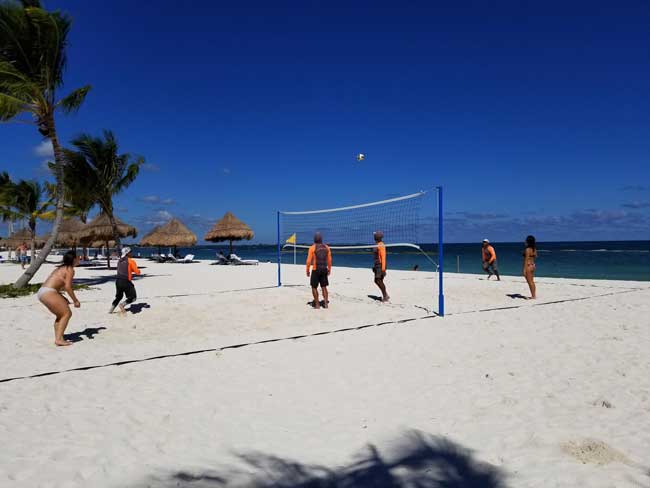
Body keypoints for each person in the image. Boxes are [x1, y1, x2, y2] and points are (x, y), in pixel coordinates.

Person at [37, 250, 81, 346]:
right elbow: (68, 287)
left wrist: (62, 298)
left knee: (61, 315)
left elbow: (55, 284)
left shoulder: (60, 268)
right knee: (67, 314)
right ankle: (58, 339)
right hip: (49, 292)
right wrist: (75, 301)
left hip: (43, 291)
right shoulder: (70, 269)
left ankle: (59, 337)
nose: (80, 259)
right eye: (78, 257)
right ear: (74, 259)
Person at [109, 247, 141, 314]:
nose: (131, 253)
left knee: (118, 297)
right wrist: (138, 271)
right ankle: (122, 305)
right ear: (127, 253)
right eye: (130, 252)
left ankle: (110, 310)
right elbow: (137, 272)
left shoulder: (119, 261)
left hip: (118, 281)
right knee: (133, 297)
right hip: (126, 281)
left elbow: (123, 270)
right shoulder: (131, 261)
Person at [306, 232, 332, 309]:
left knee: (314, 287)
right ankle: (325, 304)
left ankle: (317, 305)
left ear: (314, 240)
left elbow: (308, 261)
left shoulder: (312, 248)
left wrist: (307, 270)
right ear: (321, 239)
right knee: (324, 287)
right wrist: (329, 269)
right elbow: (330, 260)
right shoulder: (327, 247)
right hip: (324, 269)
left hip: (315, 269)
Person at [372, 231, 389, 302]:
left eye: (375, 235)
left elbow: (383, 257)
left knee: (378, 280)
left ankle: (385, 296)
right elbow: (376, 256)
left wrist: (383, 269)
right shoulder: (376, 244)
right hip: (377, 265)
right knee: (378, 280)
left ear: (378, 237)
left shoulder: (381, 245)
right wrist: (374, 266)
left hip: (380, 265)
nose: (374, 236)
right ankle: (385, 295)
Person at [523, 235, 537, 299]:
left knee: (530, 282)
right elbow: (535, 256)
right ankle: (534, 295)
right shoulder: (534, 249)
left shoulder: (527, 249)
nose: (524, 241)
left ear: (528, 242)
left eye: (526, 240)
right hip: (533, 265)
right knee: (532, 281)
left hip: (528, 265)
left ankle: (533, 296)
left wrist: (524, 269)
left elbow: (526, 260)